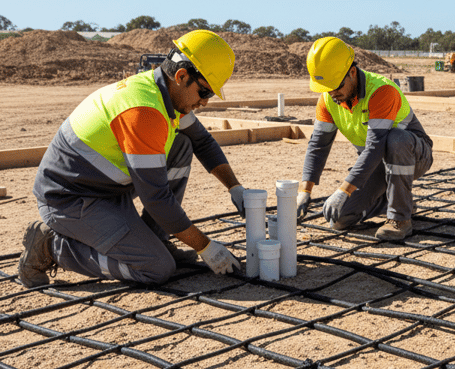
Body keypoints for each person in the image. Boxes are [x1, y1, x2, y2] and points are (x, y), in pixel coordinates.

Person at [18, 30, 246, 288]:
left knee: (182, 145)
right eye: (205, 93)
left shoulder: (166, 94)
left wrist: (234, 187)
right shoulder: (144, 111)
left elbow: (202, 141)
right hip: (69, 198)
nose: (204, 103)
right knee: (156, 269)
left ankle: (155, 239)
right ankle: (50, 246)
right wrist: (205, 247)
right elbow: (157, 198)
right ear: (182, 76)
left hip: (105, 190)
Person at [296, 37, 433, 240]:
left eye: (336, 86)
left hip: (413, 156)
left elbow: (375, 147)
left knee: (396, 139)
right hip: (376, 164)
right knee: (340, 218)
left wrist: (344, 190)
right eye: (327, 88)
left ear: (352, 72)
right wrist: (305, 190)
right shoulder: (328, 99)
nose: (332, 93)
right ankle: (397, 200)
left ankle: (400, 219)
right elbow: (318, 145)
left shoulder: (381, 91)